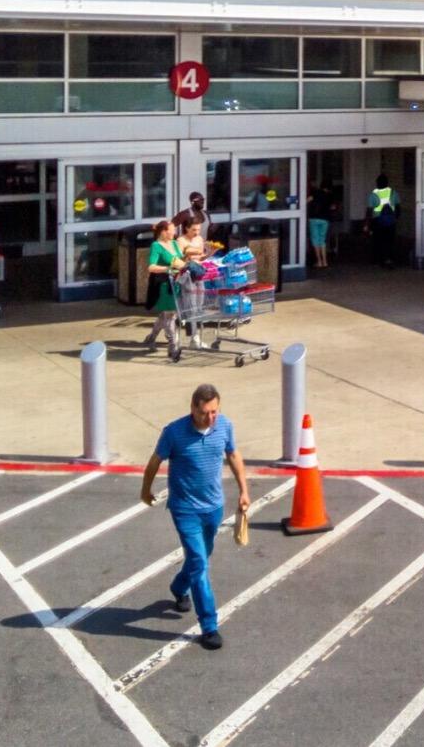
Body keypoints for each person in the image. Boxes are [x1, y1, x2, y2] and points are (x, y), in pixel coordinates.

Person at [140, 383, 249, 652]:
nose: (210, 418)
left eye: (214, 412)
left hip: (213, 507)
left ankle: (179, 587)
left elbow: (233, 454)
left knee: (201, 555)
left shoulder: (224, 426)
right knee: (200, 562)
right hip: (185, 509)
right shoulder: (174, 432)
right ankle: (209, 626)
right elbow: (155, 461)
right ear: (193, 408)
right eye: (204, 413)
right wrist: (145, 489)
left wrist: (244, 491)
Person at [142, 218, 186, 358]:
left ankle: (151, 337)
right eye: (172, 231)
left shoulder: (174, 243)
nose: (174, 233)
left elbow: (181, 260)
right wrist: (167, 268)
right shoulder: (156, 246)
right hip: (164, 284)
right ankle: (172, 346)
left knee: (167, 314)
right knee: (170, 315)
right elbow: (151, 267)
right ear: (163, 232)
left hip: (177, 282)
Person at [368, 175, 400, 268]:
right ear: (387, 183)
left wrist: (367, 223)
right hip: (390, 221)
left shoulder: (374, 195)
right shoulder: (394, 193)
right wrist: (395, 218)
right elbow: (398, 207)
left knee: (377, 241)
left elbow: (369, 210)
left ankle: (378, 261)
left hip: (377, 221)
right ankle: (389, 259)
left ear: (377, 183)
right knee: (390, 241)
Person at [307, 184, 334, 270]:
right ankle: (325, 262)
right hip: (325, 219)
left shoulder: (315, 193)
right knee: (322, 240)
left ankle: (319, 262)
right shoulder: (330, 195)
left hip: (314, 218)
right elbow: (333, 207)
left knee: (315, 240)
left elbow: (306, 201)